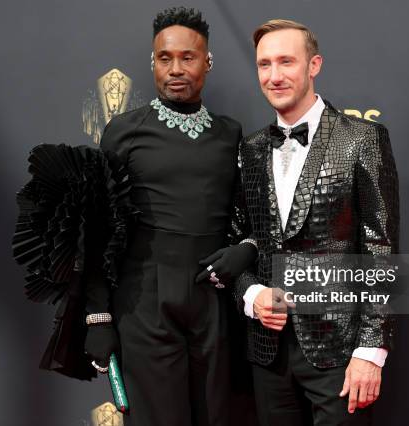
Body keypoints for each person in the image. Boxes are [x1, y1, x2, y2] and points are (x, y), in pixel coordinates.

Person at [82, 7, 257, 426]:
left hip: (213, 305)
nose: (175, 69)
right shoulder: (123, 131)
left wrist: (246, 250)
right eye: (165, 58)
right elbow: (95, 229)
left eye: (188, 57)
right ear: (153, 63)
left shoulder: (230, 134)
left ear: (208, 63)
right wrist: (98, 316)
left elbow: (253, 218)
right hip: (144, 306)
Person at [234, 19, 399, 425]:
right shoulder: (250, 150)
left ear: (314, 65)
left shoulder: (362, 139)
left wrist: (371, 351)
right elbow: (237, 238)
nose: (274, 76)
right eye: (264, 64)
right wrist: (250, 292)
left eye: (286, 62)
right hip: (267, 352)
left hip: (341, 352)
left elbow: (381, 251)